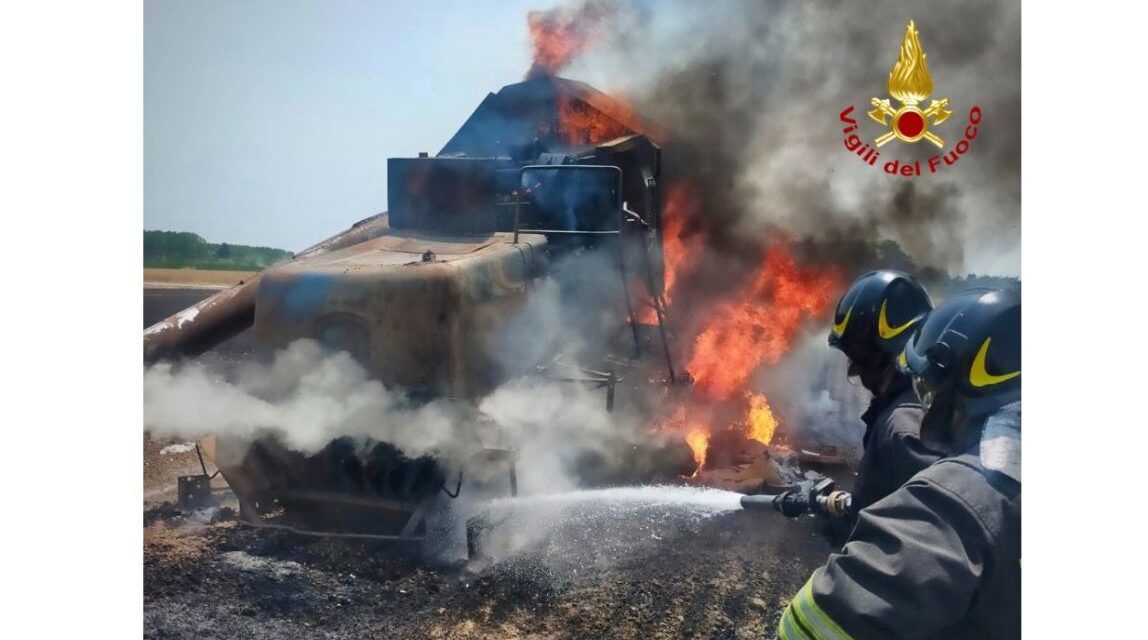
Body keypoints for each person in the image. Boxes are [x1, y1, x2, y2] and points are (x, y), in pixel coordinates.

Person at [777, 287, 1021, 640]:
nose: (854, 372)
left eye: (856, 357)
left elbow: (931, 504)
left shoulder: (912, 433)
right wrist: (844, 504)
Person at [827, 270, 943, 525]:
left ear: (878, 355)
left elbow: (935, 524)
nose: (853, 370)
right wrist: (855, 505)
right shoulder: (925, 399)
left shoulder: (904, 425)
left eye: (857, 357)